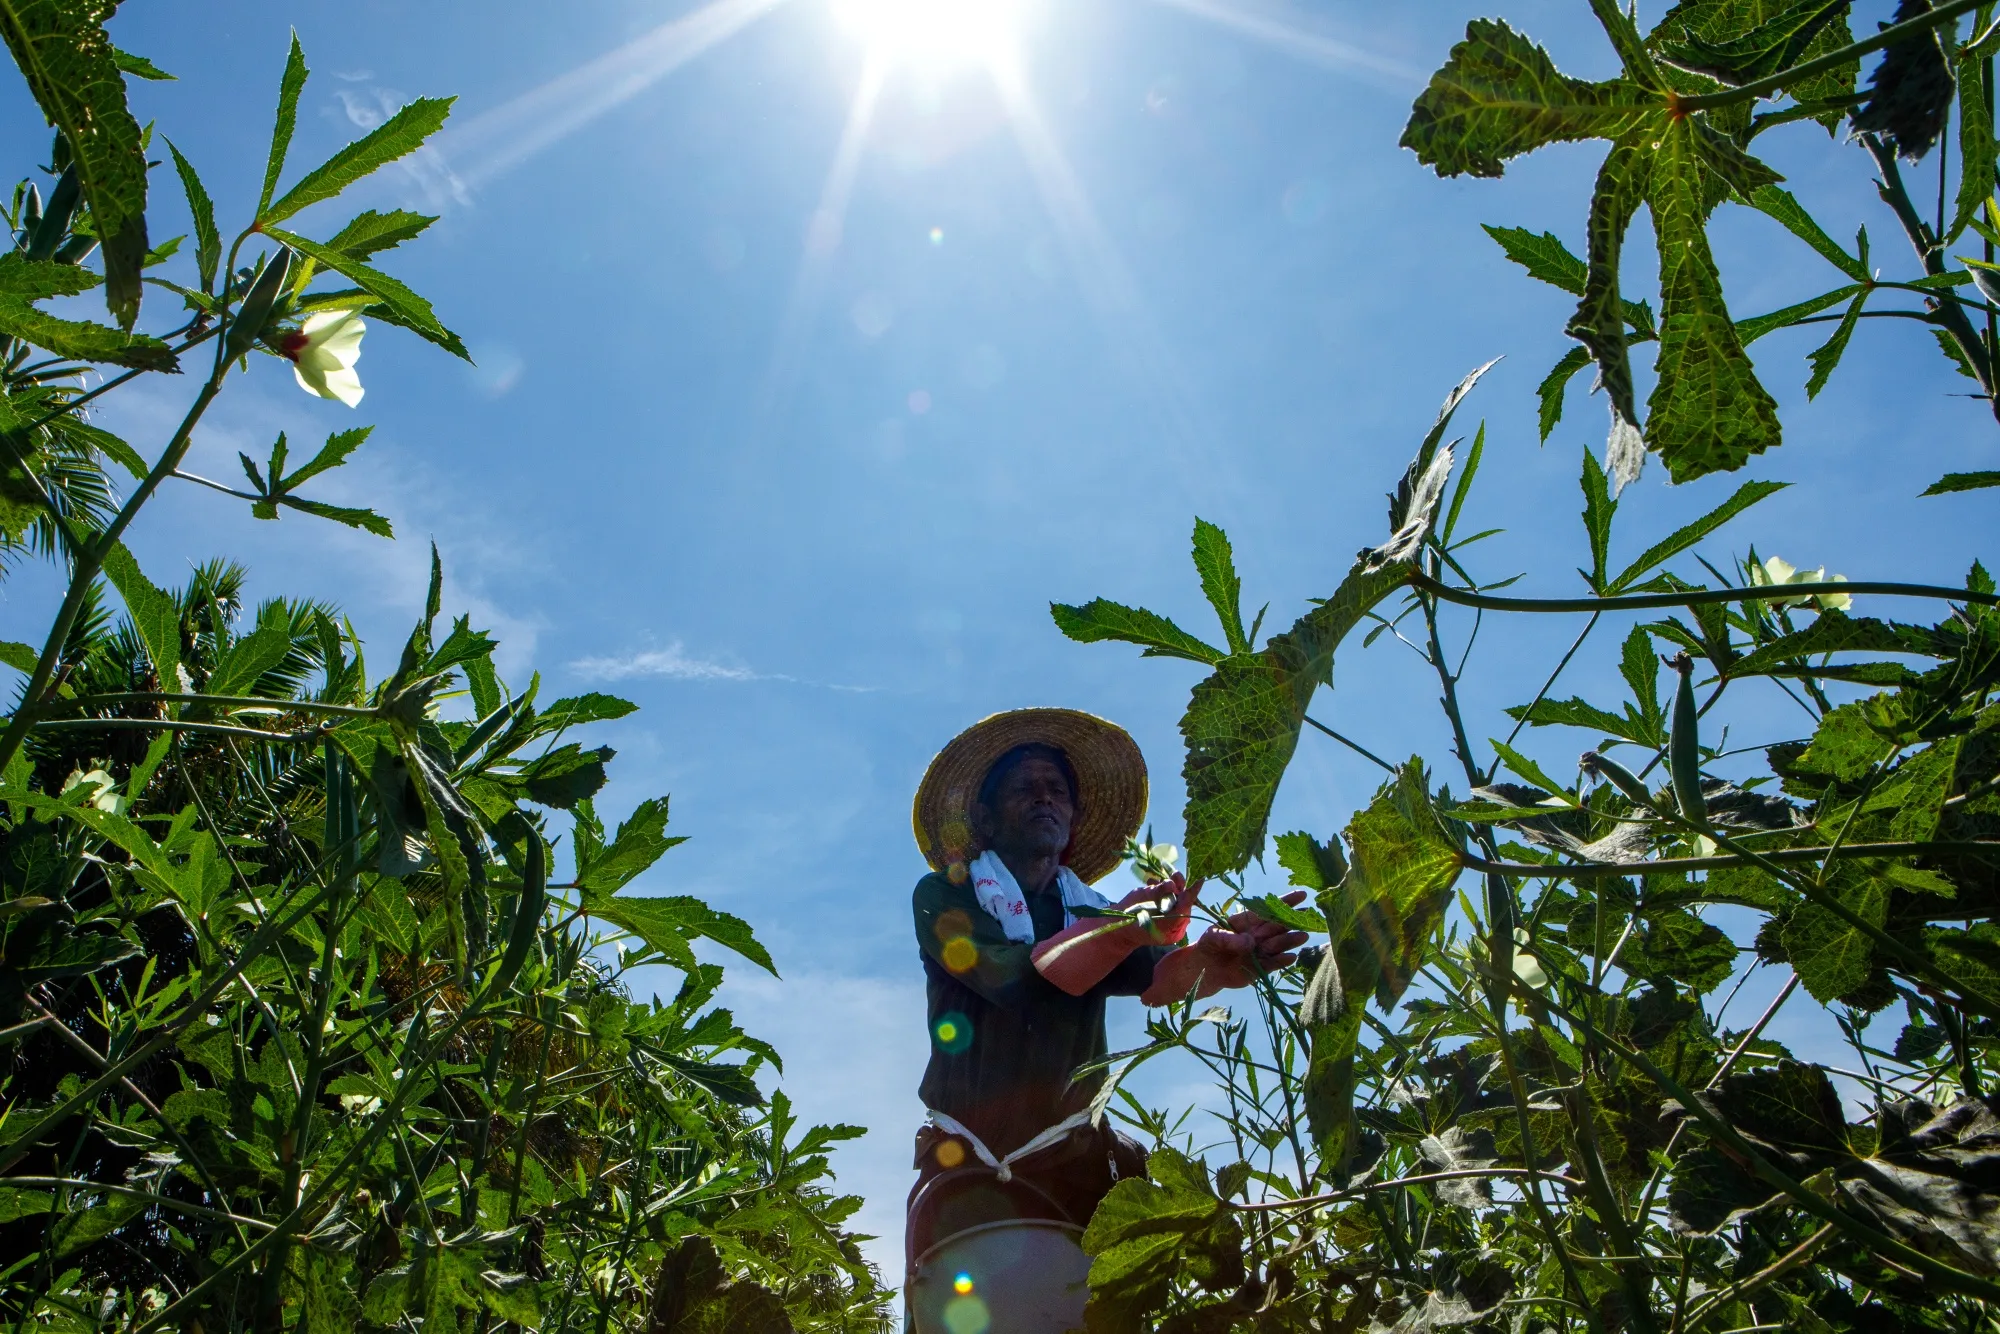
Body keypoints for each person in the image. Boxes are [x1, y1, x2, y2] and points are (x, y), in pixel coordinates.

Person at [905, 708, 1307, 1267]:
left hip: (1075, 1163)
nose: (1045, 798)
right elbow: (1017, 981)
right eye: (1026, 788)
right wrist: (1122, 931)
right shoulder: (947, 896)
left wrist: (1219, 961)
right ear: (986, 818)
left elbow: (1164, 980)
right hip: (967, 1165)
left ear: (1071, 818)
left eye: (1058, 791)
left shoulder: (1085, 911)